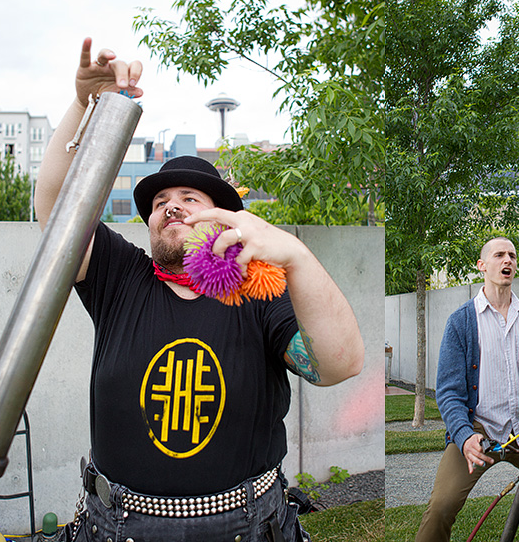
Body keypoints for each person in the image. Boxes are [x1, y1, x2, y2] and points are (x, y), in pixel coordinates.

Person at [34, 38, 365, 541]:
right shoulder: (119, 276)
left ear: (226, 220)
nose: (171, 206)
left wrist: (296, 256)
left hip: (250, 527)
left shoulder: (259, 291)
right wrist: (85, 107)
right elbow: (59, 213)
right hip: (116, 526)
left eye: (190, 197)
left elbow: (339, 365)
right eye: (161, 200)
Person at [415, 237, 519, 542]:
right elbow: (448, 392)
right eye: (499, 255)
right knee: (440, 509)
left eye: (512, 255)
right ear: (482, 266)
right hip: (478, 432)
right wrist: (463, 435)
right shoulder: (461, 321)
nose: (507, 260)